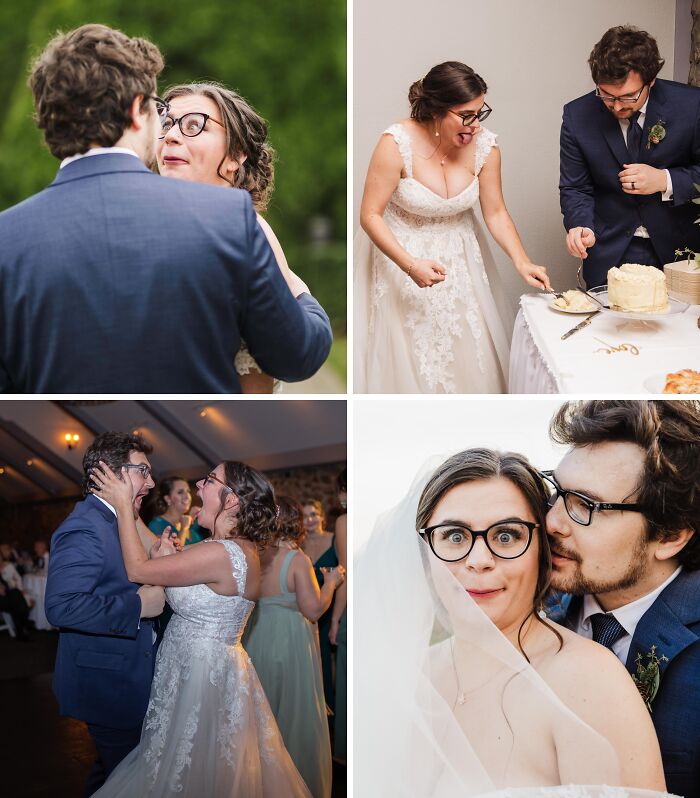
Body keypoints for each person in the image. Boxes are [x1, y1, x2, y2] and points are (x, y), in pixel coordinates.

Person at [0, 24, 332, 393]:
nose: (168, 132)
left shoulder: (6, 238)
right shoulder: (228, 220)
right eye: (160, 113)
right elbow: (297, 355)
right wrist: (300, 292)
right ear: (136, 111)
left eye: (192, 126)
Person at [355, 447, 670, 797]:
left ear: (542, 551)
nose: (479, 560)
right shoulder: (407, 676)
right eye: (454, 536)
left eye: (506, 536)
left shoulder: (588, 682)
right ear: (425, 552)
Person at [88, 460, 312, 797]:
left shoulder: (222, 553)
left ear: (231, 499)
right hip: (197, 666)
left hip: (201, 675)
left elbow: (137, 570)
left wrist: (121, 505)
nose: (198, 486)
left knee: (191, 768)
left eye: (209, 480)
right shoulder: (230, 548)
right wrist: (136, 514)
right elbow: (157, 551)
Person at [355, 61, 550, 394]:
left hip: (461, 263)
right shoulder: (395, 143)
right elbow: (371, 215)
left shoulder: (487, 148)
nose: (475, 125)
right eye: (465, 115)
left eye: (480, 113)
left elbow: (496, 212)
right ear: (436, 109)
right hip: (401, 258)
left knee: (467, 356)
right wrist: (410, 265)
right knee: (409, 360)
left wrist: (522, 261)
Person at [544, 400, 700, 798]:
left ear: (670, 536)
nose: (552, 522)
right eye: (557, 492)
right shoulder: (530, 607)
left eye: (586, 505)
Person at [157, 82, 309, 394]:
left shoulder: (249, 233)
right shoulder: (160, 226)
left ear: (235, 156)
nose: (171, 135)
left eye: (194, 125)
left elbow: (256, 381)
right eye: (165, 123)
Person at [45, 432, 166, 796]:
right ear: (111, 473)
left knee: (112, 779)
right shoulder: (86, 526)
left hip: (129, 676)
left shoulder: (117, 520)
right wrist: (137, 607)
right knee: (131, 783)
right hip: (109, 686)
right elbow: (62, 606)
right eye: (143, 471)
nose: (151, 483)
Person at [560, 26, 700, 288]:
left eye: (628, 96)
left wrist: (665, 180)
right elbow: (575, 187)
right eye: (606, 95)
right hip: (609, 251)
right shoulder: (577, 115)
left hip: (679, 252)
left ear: (651, 81)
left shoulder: (692, 105)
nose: (616, 106)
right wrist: (580, 225)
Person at [244, 496, 345, 798]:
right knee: (294, 713)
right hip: (289, 642)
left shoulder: (256, 554)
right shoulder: (297, 559)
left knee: (264, 713)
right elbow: (313, 609)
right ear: (295, 522)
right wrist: (331, 582)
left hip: (256, 635)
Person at [301, 499, 337, 709]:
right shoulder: (299, 544)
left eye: (313, 514)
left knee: (327, 658)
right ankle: (312, 704)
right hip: (306, 609)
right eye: (305, 516)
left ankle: (329, 705)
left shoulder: (334, 540)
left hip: (329, 606)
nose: (310, 520)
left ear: (322, 516)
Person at [329, 470, 347, 764]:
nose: (340, 496)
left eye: (343, 488)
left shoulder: (345, 521)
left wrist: (335, 619)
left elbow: (345, 573)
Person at [147, 476, 206, 545]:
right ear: (168, 499)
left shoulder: (192, 522)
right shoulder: (157, 525)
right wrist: (184, 529)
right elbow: (170, 551)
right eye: (180, 492)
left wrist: (204, 514)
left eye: (188, 491)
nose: (187, 496)